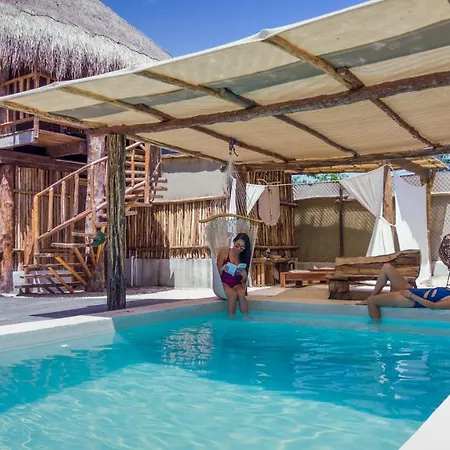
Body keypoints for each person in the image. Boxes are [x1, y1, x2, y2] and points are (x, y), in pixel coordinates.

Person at [357, 263, 450, 320]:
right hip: (411, 291)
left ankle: (376, 329)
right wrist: (411, 292)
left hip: (410, 300)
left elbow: (433, 306)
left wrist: (411, 296)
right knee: (387, 267)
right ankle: (371, 297)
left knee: (372, 301)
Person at [217, 233, 251, 317]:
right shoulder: (224, 252)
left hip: (236, 284)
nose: (239, 249)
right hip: (224, 282)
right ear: (234, 242)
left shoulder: (243, 258)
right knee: (233, 295)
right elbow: (217, 274)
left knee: (241, 294)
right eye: (237, 245)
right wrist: (222, 269)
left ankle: (246, 317)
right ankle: (231, 318)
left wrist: (244, 276)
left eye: (242, 247)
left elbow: (243, 281)